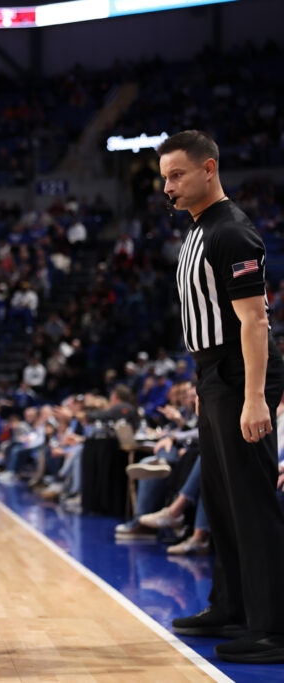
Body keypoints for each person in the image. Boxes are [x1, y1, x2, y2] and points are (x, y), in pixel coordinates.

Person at [159, 130, 284, 663]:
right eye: (164, 177)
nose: (168, 186)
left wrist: (254, 397)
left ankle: (273, 630)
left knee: (252, 504)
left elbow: (255, 321)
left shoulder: (231, 232)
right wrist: (200, 380)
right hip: (215, 374)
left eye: (177, 175)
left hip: (242, 376)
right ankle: (229, 607)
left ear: (209, 169)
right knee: (221, 500)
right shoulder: (196, 229)